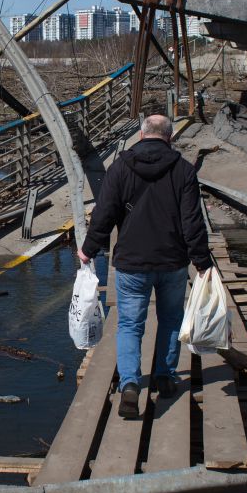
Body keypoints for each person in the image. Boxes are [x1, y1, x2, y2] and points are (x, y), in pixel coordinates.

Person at [77, 114, 212, 418]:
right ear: (170, 137)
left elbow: (104, 214)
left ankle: (129, 385)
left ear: (141, 135)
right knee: (171, 319)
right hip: (172, 260)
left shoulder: (121, 167)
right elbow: (193, 221)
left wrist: (88, 250)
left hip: (131, 263)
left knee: (129, 325)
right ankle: (165, 377)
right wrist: (202, 262)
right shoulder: (183, 170)